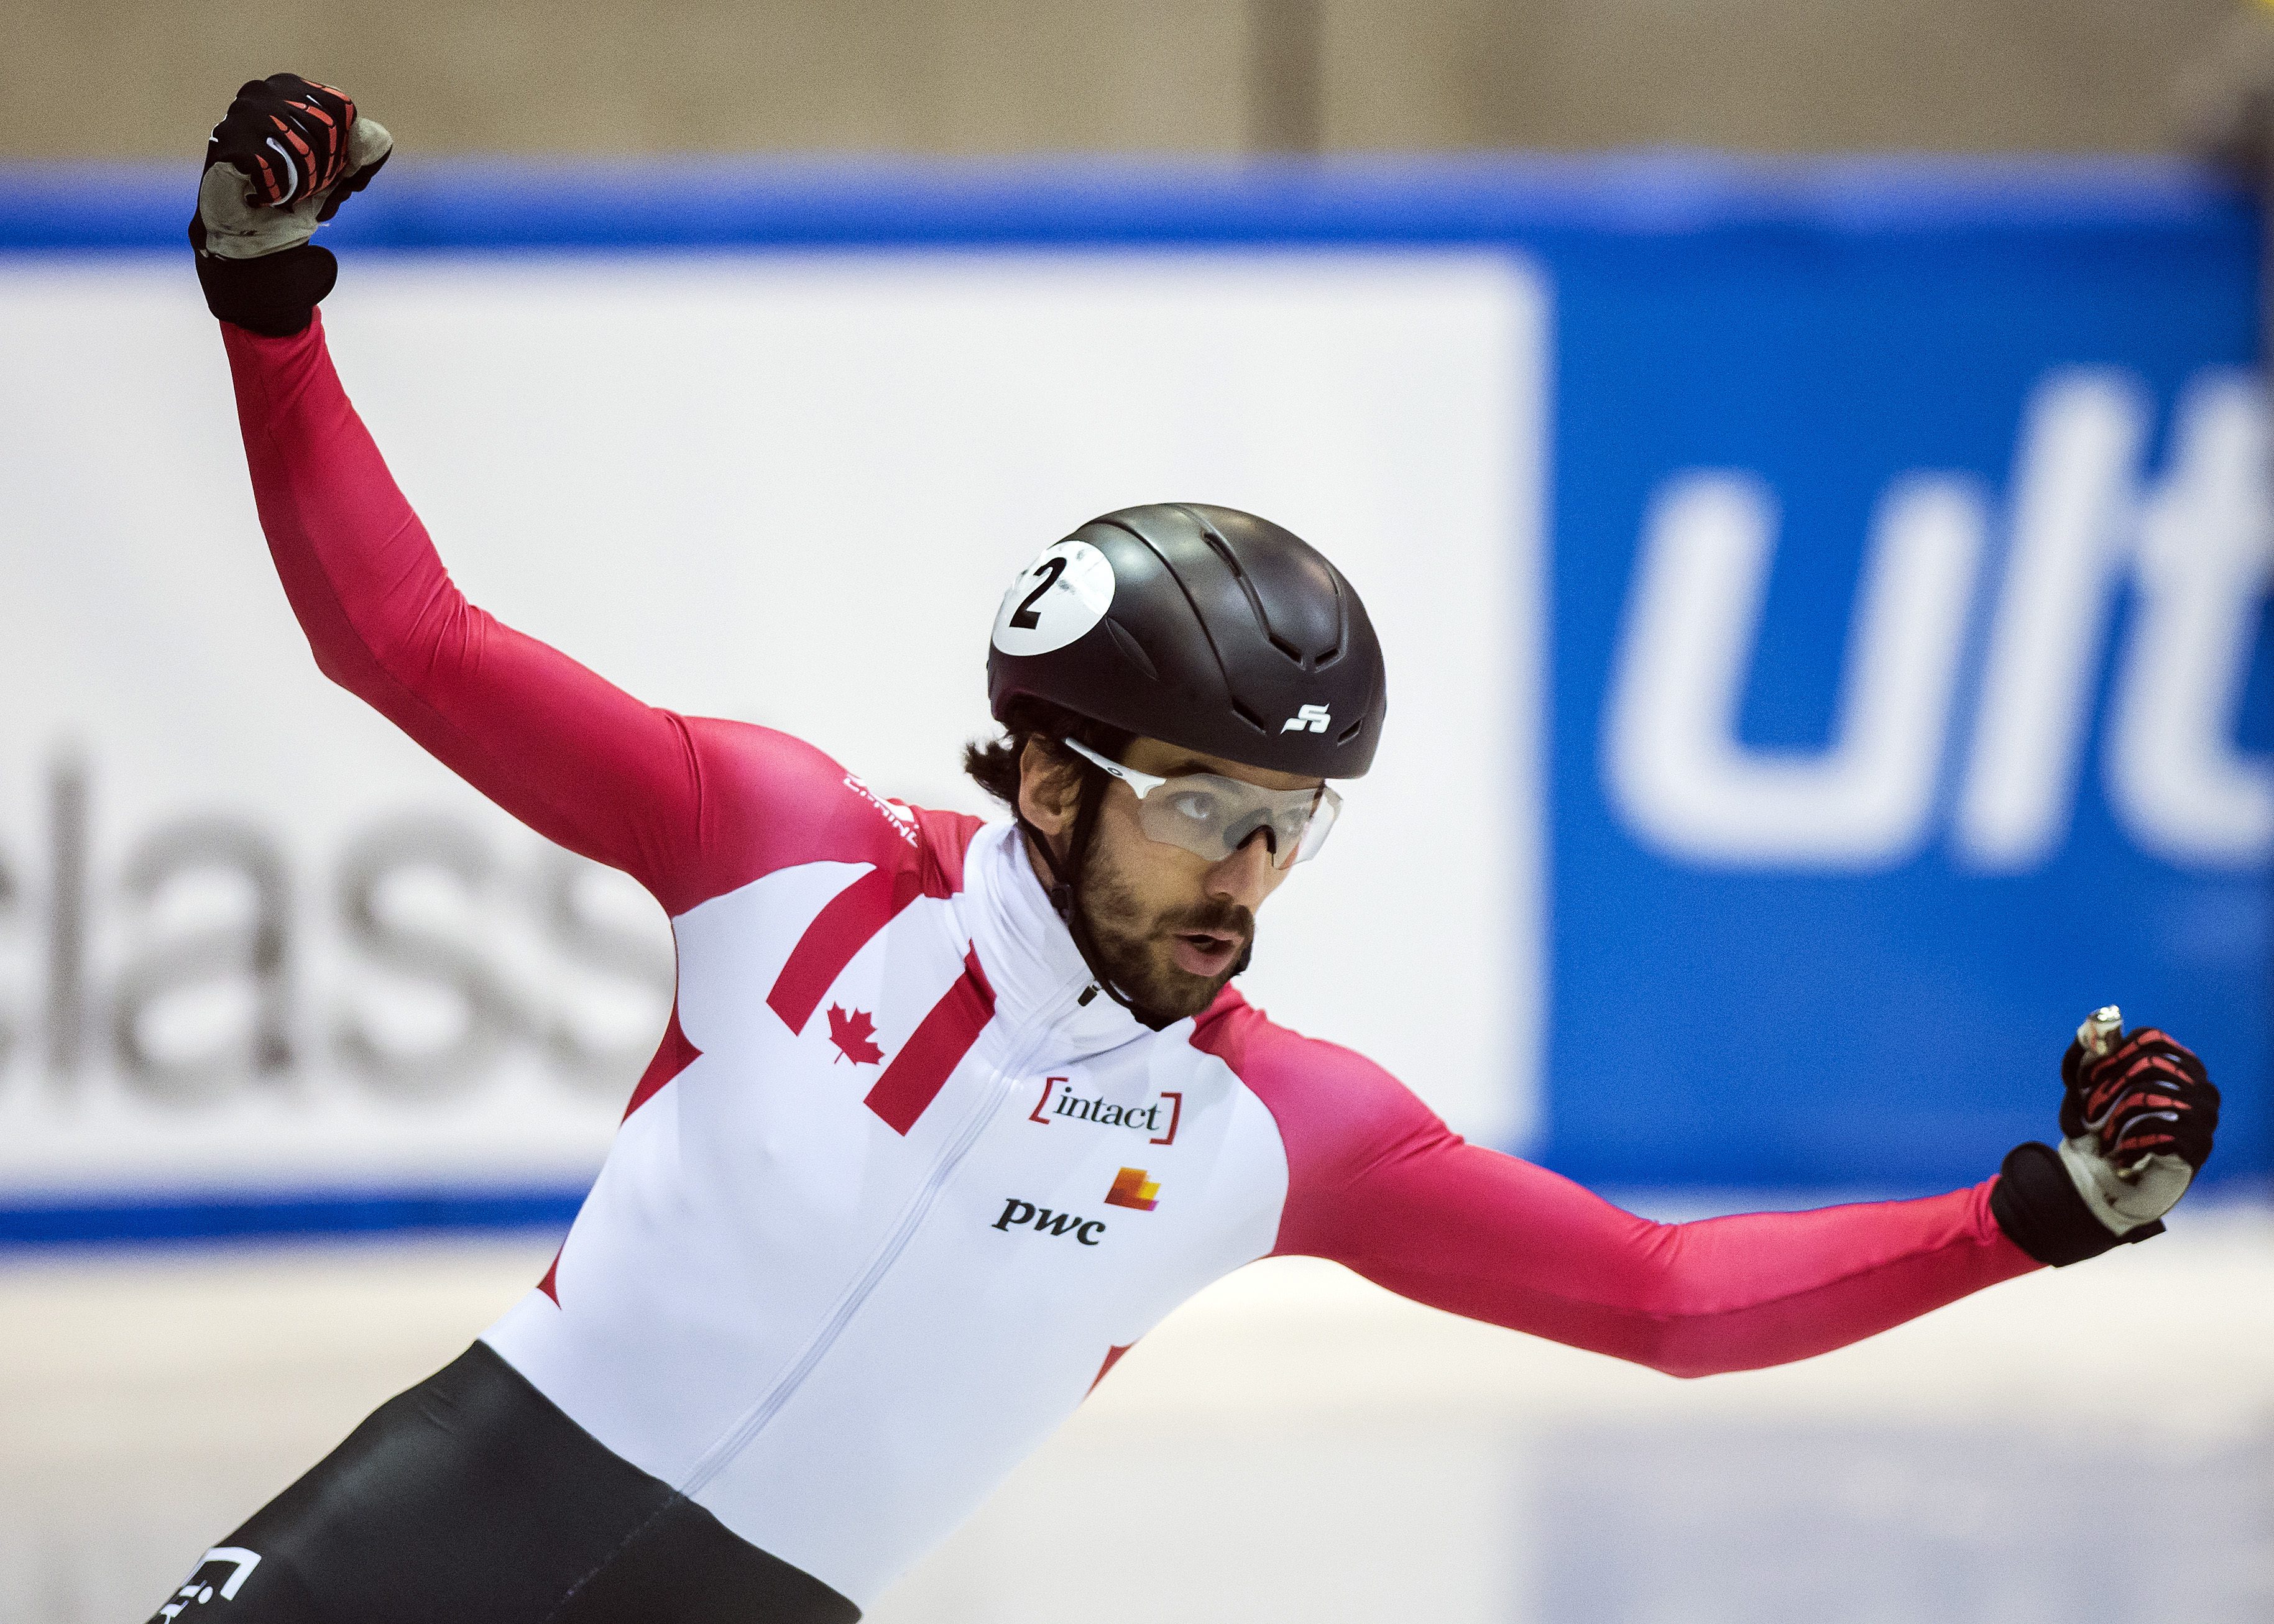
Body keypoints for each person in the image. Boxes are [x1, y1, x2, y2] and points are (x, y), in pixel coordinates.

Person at [153, 75, 2222, 1624]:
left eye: (1289, 831)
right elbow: (401, 642)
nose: (1248, 881)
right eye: (1207, 813)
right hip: (434, 1518)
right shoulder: (774, 847)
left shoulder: (1282, 1134)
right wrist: (272, 310)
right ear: (1048, 782)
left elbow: (1664, 1297)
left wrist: (2023, 1213)